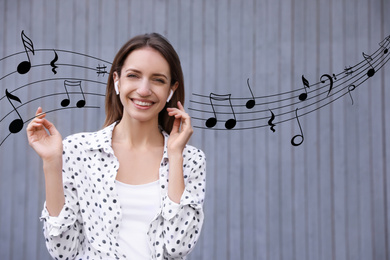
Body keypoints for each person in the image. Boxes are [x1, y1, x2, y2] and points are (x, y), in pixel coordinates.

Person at [26, 33, 206, 260]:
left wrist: (175, 155)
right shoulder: (77, 150)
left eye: (158, 80)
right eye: (133, 76)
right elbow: (63, 251)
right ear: (117, 80)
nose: (143, 90)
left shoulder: (191, 159)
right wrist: (52, 163)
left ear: (171, 89)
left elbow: (178, 246)